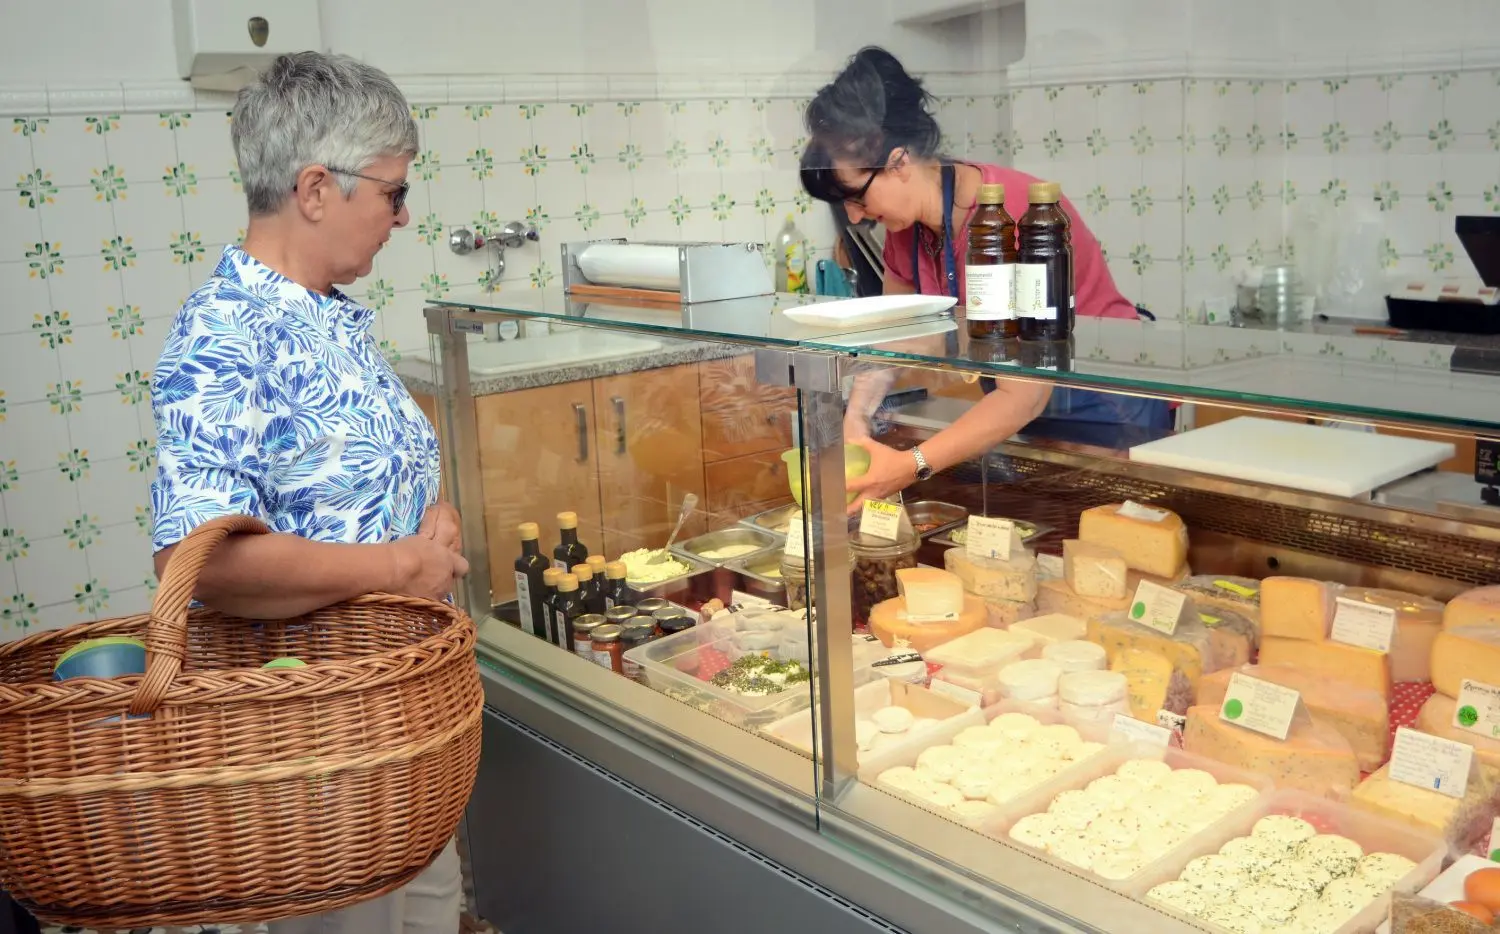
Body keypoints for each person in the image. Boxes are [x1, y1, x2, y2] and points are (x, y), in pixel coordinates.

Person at [149, 52, 469, 934]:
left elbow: (341, 484)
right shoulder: (226, 327)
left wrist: (424, 520)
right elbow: (195, 555)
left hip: (398, 731)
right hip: (312, 758)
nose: (403, 218)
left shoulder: (323, 311)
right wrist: (402, 563)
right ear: (317, 188)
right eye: (394, 194)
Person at [800, 47, 1171, 509]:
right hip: (1022, 417)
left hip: (1107, 413)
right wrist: (856, 420)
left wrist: (910, 465)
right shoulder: (905, 232)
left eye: (856, 197)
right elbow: (895, 343)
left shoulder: (1015, 214)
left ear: (898, 162)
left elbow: (1026, 393)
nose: (855, 218)